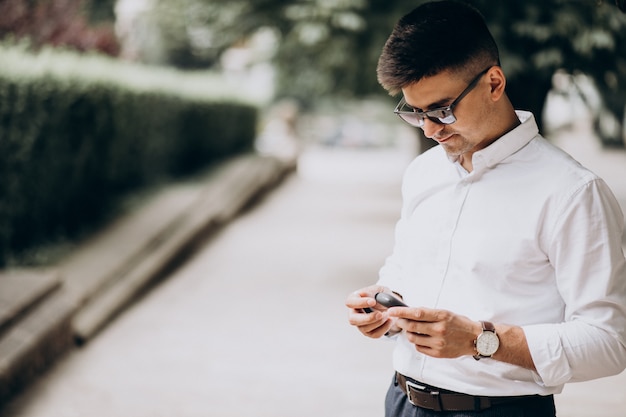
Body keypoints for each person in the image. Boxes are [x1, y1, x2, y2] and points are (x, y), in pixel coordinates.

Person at [345, 1, 626, 416]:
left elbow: (609, 343)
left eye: (441, 109)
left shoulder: (573, 193)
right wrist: (385, 308)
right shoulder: (423, 172)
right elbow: (404, 270)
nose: (429, 129)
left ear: (494, 83)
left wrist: (480, 339)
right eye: (415, 113)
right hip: (401, 401)